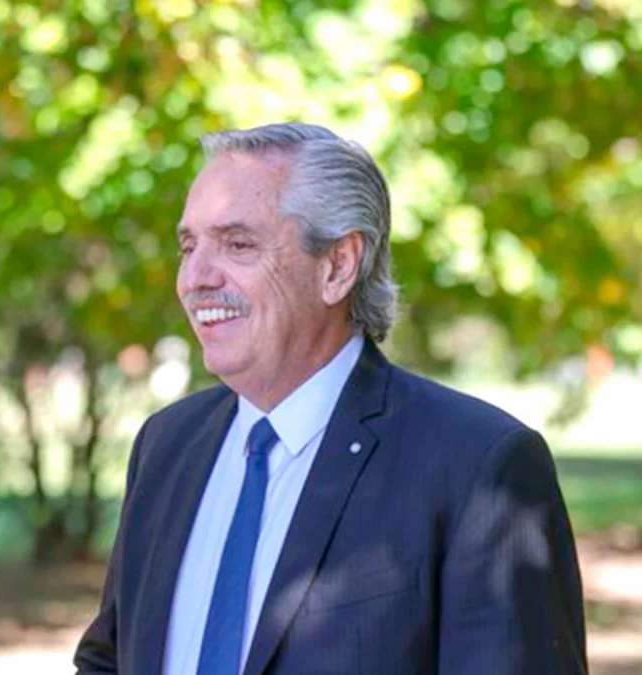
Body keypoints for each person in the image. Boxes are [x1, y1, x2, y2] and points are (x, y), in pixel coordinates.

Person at [75, 122, 585, 674]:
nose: (194, 278)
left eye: (238, 244)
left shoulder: (478, 466)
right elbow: (109, 659)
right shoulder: (167, 445)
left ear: (338, 266)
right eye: (188, 246)